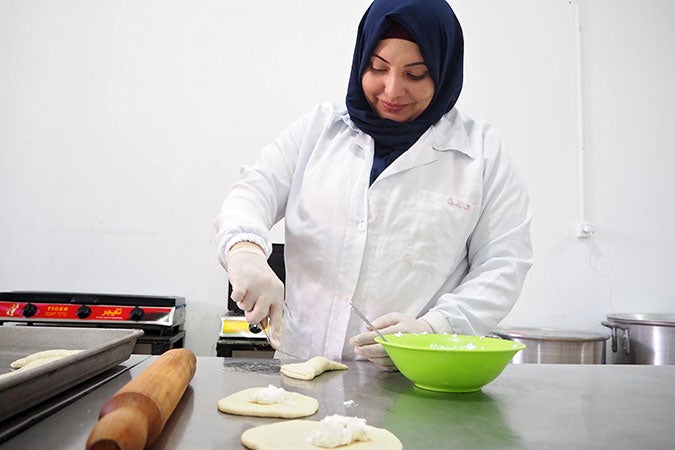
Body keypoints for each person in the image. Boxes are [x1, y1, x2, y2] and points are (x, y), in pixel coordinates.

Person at [214, 0, 533, 369]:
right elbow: (254, 191)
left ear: (444, 72)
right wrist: (245, 251)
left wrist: (434, 327)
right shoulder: (319, 131)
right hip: (303, 372)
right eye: (378, 67)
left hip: (415, 380)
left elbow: (504, 263)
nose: (392, 90)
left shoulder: (480, 154)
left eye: (415, 74)